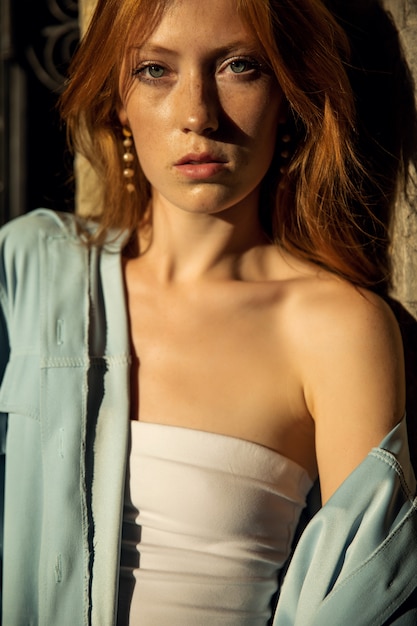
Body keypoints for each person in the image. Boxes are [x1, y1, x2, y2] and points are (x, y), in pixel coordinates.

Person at [1, 0, 416, 624]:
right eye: (155, 71)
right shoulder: (26, 272)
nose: (198, 114)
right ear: (118, 97)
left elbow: (362, 598)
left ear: (288, 92)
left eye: (239, 66)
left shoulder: (335, 327)